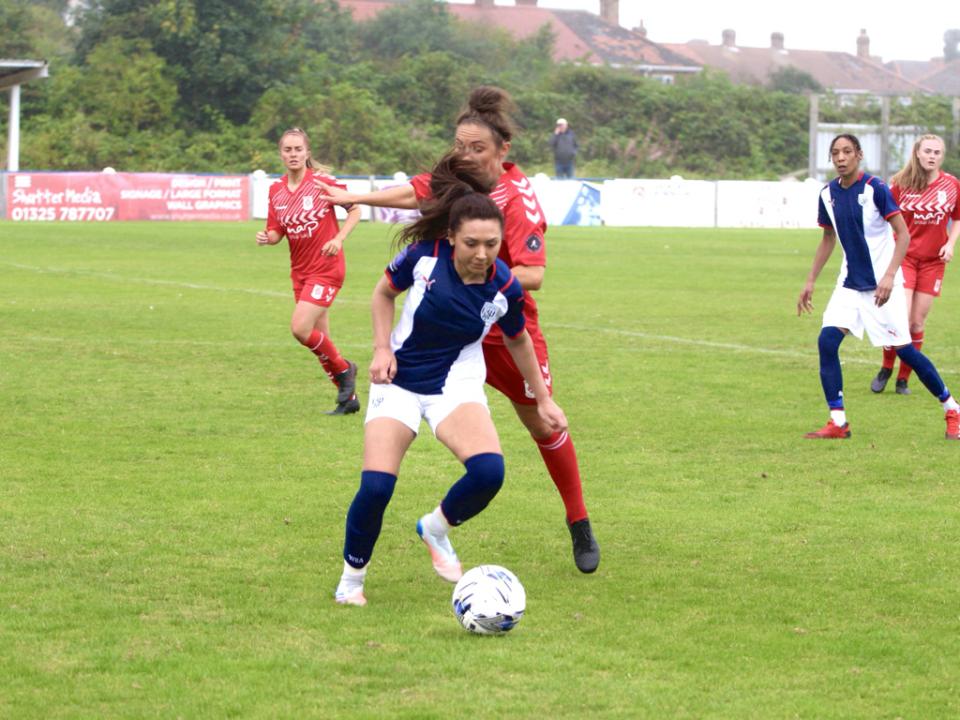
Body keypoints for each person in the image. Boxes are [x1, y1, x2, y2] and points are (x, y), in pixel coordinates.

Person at [316, 87, 600, 574]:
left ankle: (579, 522)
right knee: (398, 462)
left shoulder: (516, 200)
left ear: (502, 153)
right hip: (447, 328)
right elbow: (415, 190)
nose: (464, 156)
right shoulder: (459, 177)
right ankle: (366, 561)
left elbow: (533, 275)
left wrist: (483, 272)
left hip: (499, 321)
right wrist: (352, 196)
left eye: (477, 149)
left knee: (541, 422)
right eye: (460, 146)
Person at [334, 153, 568, 606]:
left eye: (492, 244)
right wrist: (382, 348)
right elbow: (383, 293)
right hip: (399, 379)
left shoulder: (504, 285)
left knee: (488, 472)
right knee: (377, 486)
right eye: (472, 244)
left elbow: (519, 340)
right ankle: (351, 581)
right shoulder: (422, 258)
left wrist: (542, 400)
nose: (482, 255)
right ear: (452, 238)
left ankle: (436, 527)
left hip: (456, 384)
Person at [797, 133, 960, 440]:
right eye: (835, 153)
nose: (841, 157)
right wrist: (809, 281)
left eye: (847, 151)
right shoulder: (827, 194)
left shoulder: (876, 189)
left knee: (905, 350)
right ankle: (838, 421)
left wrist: (888, 276)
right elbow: (828, 238)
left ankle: (952, 408)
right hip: (848, 285)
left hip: (883, 288)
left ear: (858, 155)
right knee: (827, 342)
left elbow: (903, 234)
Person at [256, 127, 361, 415]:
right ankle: (349, 401)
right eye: (287, 150)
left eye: (297, 149)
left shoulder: (322, 184)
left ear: (307, 153)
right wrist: (269, 238)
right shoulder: (275, 190)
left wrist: (338, 239)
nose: (293, 154)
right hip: (300, 271)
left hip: (326, 268)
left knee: (300, 328)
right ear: (281, 154)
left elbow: (355, 210)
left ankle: (346, 370)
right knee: (320, 341)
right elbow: (276, 231)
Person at [869, 134, 960, 395]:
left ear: (942, 156)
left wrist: (950, 243)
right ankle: (887, 367)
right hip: (905, 259)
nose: (932, 156)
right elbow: (884, 219)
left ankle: (903, 379)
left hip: (933, 263)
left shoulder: (952, 185)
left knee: (917, 323)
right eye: (928, 151)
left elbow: (957, 218)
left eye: (937, 152)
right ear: (917, 154)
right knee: (899, 319)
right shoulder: (900, 184)